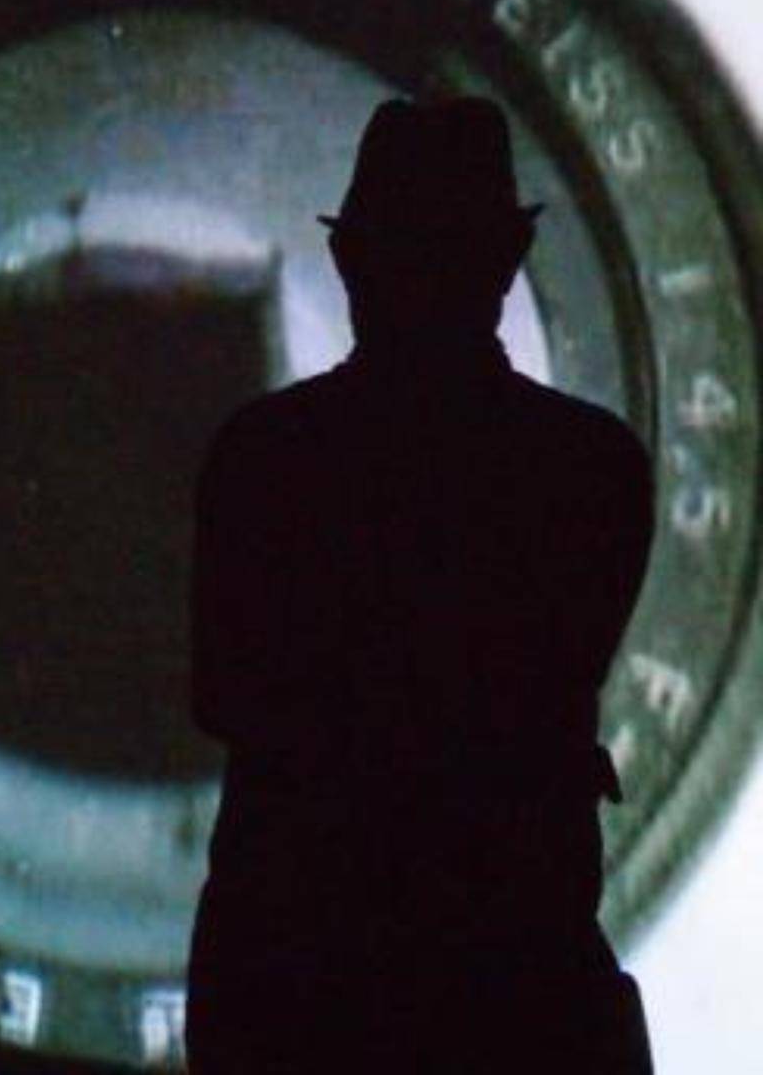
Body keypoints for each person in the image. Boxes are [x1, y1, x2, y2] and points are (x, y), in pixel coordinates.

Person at [187, 97, 655, 1073]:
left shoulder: (262, 459)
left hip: (293, 993)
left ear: (348, 258)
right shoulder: (593, 470)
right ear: (508, 257)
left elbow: (222, 695)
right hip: (515, 993)